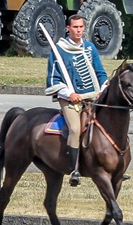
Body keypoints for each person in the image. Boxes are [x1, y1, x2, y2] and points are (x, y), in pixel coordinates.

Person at [45, 13, 107, 186]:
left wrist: (103, 89)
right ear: (68, 28)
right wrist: (69, 94)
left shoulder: (90, 48)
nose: (78, 30)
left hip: (91, 97)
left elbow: (100, 72)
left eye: (81, 27)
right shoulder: (59, 50)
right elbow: (54, 79)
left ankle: (108, 164)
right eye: (75, 27)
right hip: (70, 99)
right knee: (75, 128)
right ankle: (74, 169)